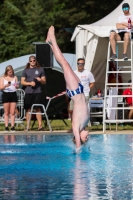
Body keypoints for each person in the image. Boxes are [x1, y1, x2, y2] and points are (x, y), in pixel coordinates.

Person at [46, 26, 89, 152]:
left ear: (78, 138)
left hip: (74, 91)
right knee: (65, 64)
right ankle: (50, 43)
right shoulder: (84, 125)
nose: (88, 137)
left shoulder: (76, 127)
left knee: (64, 63)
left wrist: (78, 148)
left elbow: (77, 142)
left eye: (85, 139)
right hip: (79, 88)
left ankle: (52, 40)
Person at [68, 58, 95, 132]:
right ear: (77, 64)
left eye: (82, 64)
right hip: (75, 95)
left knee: (83, 112)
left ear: (84, 64)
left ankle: (82, 127)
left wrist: (87, 89)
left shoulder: (88, 73)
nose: (80, 65)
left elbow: (92, 82)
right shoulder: (73, 73)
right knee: (71, 110)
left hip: (84, 95)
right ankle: (74, 126)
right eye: (79, 64)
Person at [21, 55, 46, 131]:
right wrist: (29, 83)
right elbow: (22, 81)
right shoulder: (26, 70)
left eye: (34, 60)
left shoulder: (40, 69)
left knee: (38, 108)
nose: (33, 62)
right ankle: (28, 126)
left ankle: (40, 126)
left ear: (36, 61)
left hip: (37, 91)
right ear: (29, 62)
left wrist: (40, 80)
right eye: (31, 61)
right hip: (28, 92)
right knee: (28, 109)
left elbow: (44, 81)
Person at [0, 65, 19, 132]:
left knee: (12, 112)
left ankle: (13, 126)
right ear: (7, 72)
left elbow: (17, 86)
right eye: (9, 72)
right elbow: (1, 87)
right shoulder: (3, 78)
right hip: (6, 94)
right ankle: (6, 126)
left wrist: (16, 85)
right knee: (6, 112)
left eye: (11, 72)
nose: (10, 73)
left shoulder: (15, 77)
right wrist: (5, 85)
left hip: (13, 94)